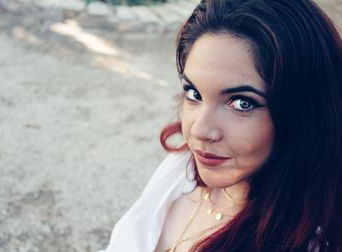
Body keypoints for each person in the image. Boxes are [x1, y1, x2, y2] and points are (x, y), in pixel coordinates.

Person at [101, 0, 342, 251]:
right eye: (194, 94)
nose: (198, 131)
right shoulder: (181, 166)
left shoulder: (306, 242)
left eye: (242, 103)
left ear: (305, 113)